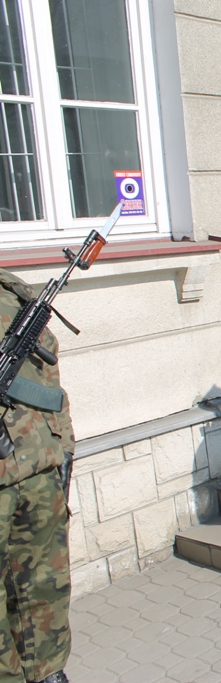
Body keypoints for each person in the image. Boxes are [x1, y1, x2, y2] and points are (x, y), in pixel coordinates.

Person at [0, 268, 75, 683]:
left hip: (38, 470)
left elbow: (49, 380)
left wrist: (63, 447)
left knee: (46, 589)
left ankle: (49, 673)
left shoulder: (11, 291)